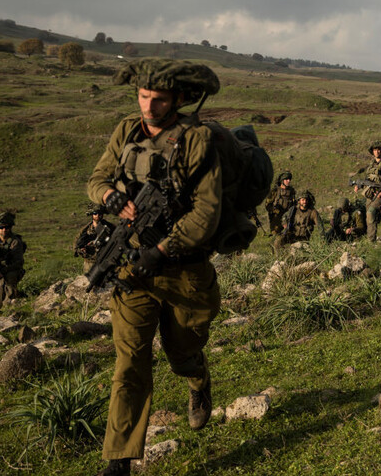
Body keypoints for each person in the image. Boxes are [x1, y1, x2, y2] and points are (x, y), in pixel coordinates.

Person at [87, 58, 223, 476]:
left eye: (159, 99)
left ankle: (198, 381)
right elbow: (96, 179)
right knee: (130, 363)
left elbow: (207, 212)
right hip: (134, 270)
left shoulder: (197, 140)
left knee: (183, 354)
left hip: (184, 270)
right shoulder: (128, 131)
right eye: (143, 96)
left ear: (178, 99)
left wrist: (162, 249)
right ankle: (119, 460)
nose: (149, 106)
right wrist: (108, 196)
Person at [356, 141, 381, 242]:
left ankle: (371, 241)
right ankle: (367, 237)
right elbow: (367, 178)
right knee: (368, 216)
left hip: (380, 194)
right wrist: (359, 185)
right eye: (375, 150)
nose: (377, 151)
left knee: (371, 213)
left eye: (379, 149)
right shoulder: (371, 164)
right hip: (370, 194)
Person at [74, 203, 115, 273]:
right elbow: (77, 244)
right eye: (95, 213)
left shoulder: (110, 228)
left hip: (106, 261)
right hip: (90, 263)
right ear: (92, 214)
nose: (97, 215)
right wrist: (82, 250)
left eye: (100, 213)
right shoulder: (85, 231)